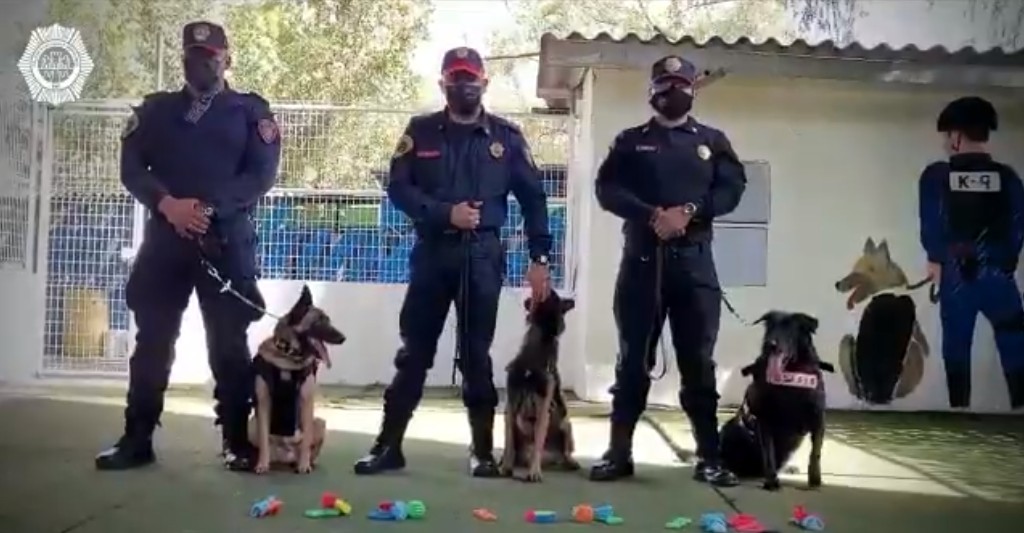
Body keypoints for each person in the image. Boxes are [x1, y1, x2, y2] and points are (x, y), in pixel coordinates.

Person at [353, 46, 552, 477]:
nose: (464, 84)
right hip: (433, 253)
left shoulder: (507, 138)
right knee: (414, 353)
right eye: (455, 77)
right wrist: (446, 214)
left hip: (483, 256)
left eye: (471, 77)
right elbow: (399, 188)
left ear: (485, 82)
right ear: (442, 83)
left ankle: (482, 451)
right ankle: (389, 446)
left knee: (476, 355)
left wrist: (539, 258)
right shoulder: (420, 131)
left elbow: (534, 199)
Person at [95, 21, 281, 471]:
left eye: (212, 55)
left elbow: (260, 176)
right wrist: (168, 205)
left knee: (228, 346)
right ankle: (137, 439)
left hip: (225, 245)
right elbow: (133, 169)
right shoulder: (156, 110)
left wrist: (207, 210)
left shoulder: (250, 111)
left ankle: (237, 441)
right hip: (165, 244)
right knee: (153, 342)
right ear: (184, 60)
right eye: (195, 56)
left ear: (227, 58)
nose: (204, 62)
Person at [590, 55, 746, 485]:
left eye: (680, 83)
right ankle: (618, 454)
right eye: (664, 84)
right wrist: (651, 214)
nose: (672, 91)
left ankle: (710, 458)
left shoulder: (713, 141)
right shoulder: (630, 141)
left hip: (694, 265)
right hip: (642, 263)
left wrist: (689, 212)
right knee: (631, 362)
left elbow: (732, 189)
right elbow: (607, 188)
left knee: (698, 363)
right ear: (652, 91)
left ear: (693, 89)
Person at [919, 96, 1024, 410]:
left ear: (956, 136)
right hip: (997, 273)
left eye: (946, 135)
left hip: (956, 272)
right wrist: (1006, 262)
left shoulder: (936, 177)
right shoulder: (1008, 178)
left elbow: (932, 221)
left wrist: (936, 258)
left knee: (956, 348)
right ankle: (1020, 417)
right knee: (1015, 341)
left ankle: (959, 414)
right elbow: (1018, 224)